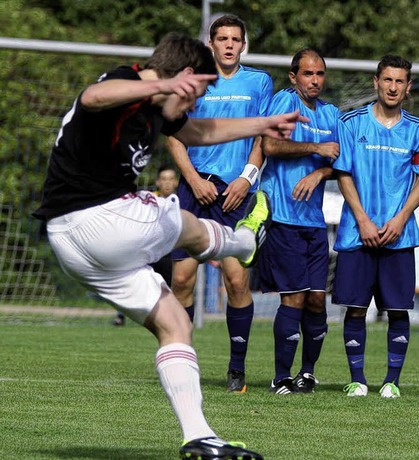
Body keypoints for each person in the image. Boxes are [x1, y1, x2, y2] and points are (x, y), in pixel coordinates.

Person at [32, 32, 307, 459]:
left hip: (76, 246)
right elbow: (93, 96)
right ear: (180, 77)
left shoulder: (160, 107)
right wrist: (159, 86)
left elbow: (198, 130)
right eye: (196, 90)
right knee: (178, 217)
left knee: (176, 324)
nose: (195, 102)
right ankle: (239, 241)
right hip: (98, 219)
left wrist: (262, 124)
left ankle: (199, 436)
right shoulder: (126, 84)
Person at [166, 14, 274, 394]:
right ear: (210, 43)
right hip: (194, 191)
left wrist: (247, 178)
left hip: (234, 194)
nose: (229, 45)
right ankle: (183, 364)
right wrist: (193, 180)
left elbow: (264, 135)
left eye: (235, 39)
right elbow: (173, 134)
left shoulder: (259, 82)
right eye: (222, 38)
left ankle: (236, 369)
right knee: (181, 278)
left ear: (244, 45)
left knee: (235, 278)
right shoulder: (193, 80)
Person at [332, 55, 419, 399]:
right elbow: (342, 173)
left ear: (408, 87)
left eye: (399, 81)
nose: (392, 87)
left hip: (399, 234)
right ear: (376, 82)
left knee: (397, 309)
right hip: (357, 231)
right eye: (387, 80)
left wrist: (401, 217)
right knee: (356, 307)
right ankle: (357, 379)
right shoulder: (350, 123)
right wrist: (361, 218)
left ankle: (392, 381)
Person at [257, 48, 340, 395]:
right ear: (294, 77)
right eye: (307, 74)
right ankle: (281, 377)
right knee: (293, 298)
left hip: (314, 222)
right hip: (284, 217)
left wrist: (321, 172)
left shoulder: (332, 113)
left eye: (319, 73)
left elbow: (341, 159)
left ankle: (307, 373)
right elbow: (270, 146)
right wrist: (315, 149)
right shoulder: (282, 103)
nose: (315, 80)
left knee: (318, 300)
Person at [113, 164, 179, 326]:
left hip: (172, 252)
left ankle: (171, 317)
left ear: (176, 182)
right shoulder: (149, 200)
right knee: (133, 279)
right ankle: (121, 314)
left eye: (171, 179)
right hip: (148, 250)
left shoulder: (181, 202)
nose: (167, 183)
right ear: (157, 182)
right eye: (164, 179)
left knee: (173, 284)